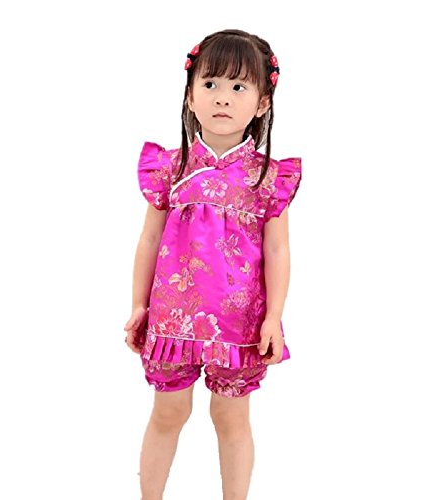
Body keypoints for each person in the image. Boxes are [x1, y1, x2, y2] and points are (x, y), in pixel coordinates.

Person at [124, 28, 302, 500]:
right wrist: (139, 304)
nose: (223, 97)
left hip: (239, 323)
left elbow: (278, 250)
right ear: (190, 95)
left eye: (239, 87)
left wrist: (274, 317)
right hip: (173, 317)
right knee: (168, 413)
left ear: (263, 103)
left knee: (231, 417)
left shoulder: (268, 178)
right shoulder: (170, 168)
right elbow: (149, 238)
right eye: (211, 84)